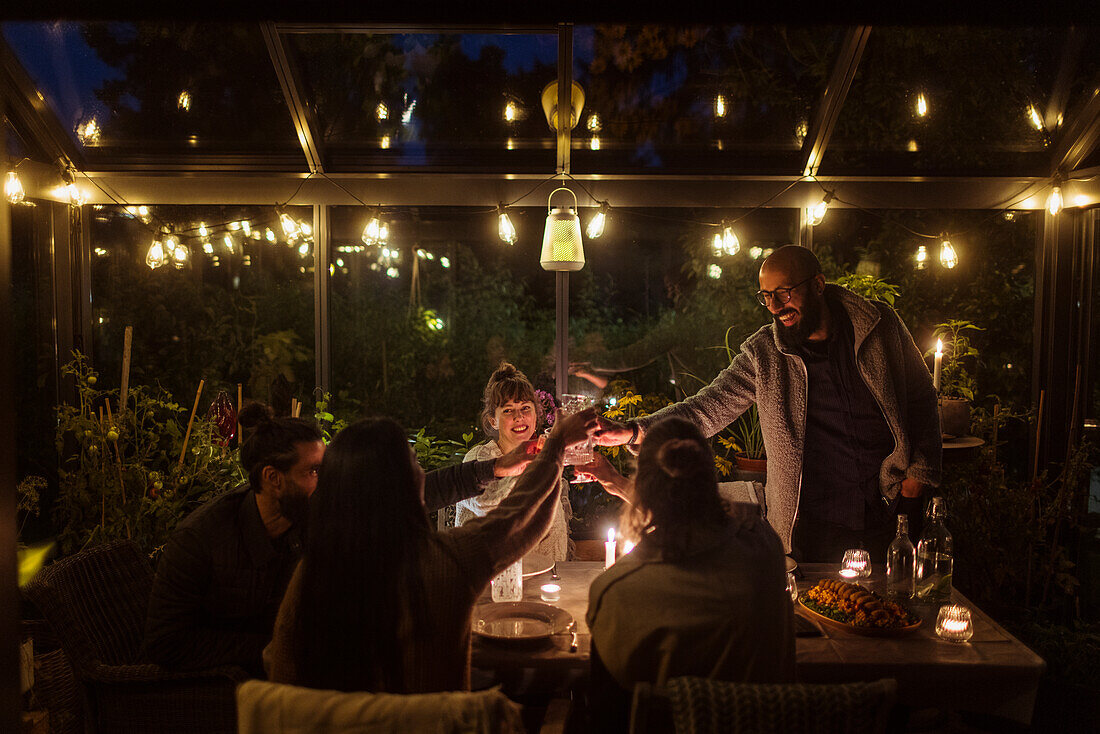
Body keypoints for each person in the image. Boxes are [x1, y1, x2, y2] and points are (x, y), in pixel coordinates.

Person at [595, 245, 941, 564]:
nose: (775, 307)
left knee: (890, 613)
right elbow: (705, 408)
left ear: (818, 284)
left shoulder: (880, 327)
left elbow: (923, 398)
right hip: (812, 524)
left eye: (784, 293)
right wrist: (633, 430)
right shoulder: (764, 354)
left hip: (890, 507)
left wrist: (916, 480)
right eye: (766, 297)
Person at [143, 402, 539, 675]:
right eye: (313, 471)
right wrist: (276, 646)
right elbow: (167, 643)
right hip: (236, 690)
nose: (327, 480)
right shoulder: (200, 540)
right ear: (272, 478)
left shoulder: (313, 509)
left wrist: (496, 469)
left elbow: (410, 492)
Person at [263, 407, 600, 693]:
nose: (424, 472)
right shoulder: (445, 559)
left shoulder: (312, 574)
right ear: (405, 485)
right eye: (416, 464)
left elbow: (281, 674)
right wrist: (555, 445)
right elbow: (520, 518)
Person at [585, 416, 795, 732]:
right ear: (712, 479)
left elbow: (607, 712)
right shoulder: (765, 548)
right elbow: (738, 519)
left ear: (644, 489)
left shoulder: (615, 590)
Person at [458, 362, 572, 561]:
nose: (519, 417)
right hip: (491, 578)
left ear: (537, 414)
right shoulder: (478, 459)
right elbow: (489, 502)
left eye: (526, 408)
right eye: (508, 410)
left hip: (548, 576)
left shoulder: (541, 456)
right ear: (493, 420)